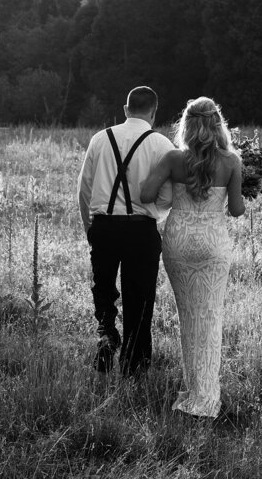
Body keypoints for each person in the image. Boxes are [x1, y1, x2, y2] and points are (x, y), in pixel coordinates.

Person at [141, 96, 245, 417]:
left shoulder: (173, 159)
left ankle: (193, 392)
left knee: (188, 317)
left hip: (180, 241)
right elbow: (237, 210)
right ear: (217, 125)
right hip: (213, 243)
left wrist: (171, 192)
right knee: (210, 316)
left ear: (186, 125)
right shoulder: (231, 161)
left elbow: (146, 194)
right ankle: (206, 397)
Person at [77, 86, 175, 375]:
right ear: (154, 112)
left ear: (125, 109)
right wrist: (154, 212)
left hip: (104, 226)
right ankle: (134, 366)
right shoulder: (161, 144)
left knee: (103, 288)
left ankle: (107, 332)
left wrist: (90, 228)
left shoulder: (99, 138)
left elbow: (83, 189)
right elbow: (168, 196)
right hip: (141, 231)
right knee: (140, 298)